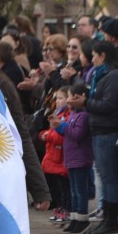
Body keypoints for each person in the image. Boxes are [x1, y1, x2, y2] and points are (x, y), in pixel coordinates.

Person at [84, 41, 118, 234]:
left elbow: (109, 104)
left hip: (109, 131)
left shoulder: (114, 75)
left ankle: (111, 219)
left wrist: (86, 102)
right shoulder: (101, 74)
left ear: (103, 56)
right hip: (99, 130)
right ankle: (106, 217)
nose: (92, 59)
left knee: (109, 176)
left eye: (94, 55)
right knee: (104, 176)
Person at [59, 83, 94, 234]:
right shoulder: (73, 114)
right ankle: (74, 218)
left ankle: (82, 219)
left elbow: (77, 134)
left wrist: (63, 126)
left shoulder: (83, 116)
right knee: (73, 190)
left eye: (69, 96)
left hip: (80, 158)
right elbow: (69, 133)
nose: (68, 100)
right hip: (72, 158)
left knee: (80, 191)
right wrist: (58, 127)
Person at [40, 87, 70, 224]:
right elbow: (52, 131)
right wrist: (44, 134)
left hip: (61, 156)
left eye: (61, 98)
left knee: (64, 187)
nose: (57, 101)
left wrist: (48, 136)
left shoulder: (66, 115)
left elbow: (61, 137)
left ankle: (65, 209)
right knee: (57, 186)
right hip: (53, 154)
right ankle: (59, 207)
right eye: (56, 98)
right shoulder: (58, 113)